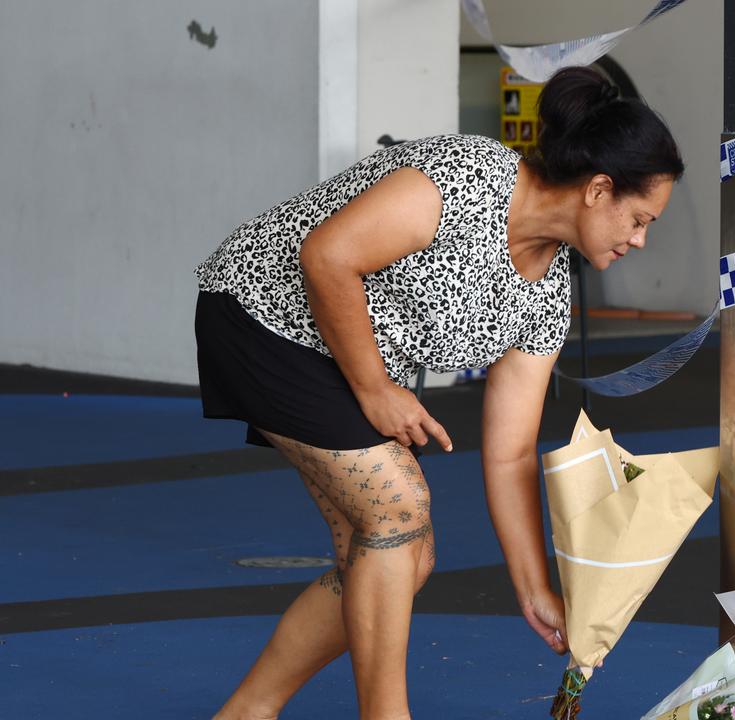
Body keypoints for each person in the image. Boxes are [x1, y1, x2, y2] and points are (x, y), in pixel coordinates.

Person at [193, 66, 683, 720]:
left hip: (338, 351)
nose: (640, 239)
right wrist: (375, 389)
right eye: (640, 217)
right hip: (262, 315)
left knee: (405, 557)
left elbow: (508, 452)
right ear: (599, 189)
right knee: (397, 512)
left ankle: (247, 712)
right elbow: (327, 257)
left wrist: (533, 584)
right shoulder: (466, 178)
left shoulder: (548, 296)